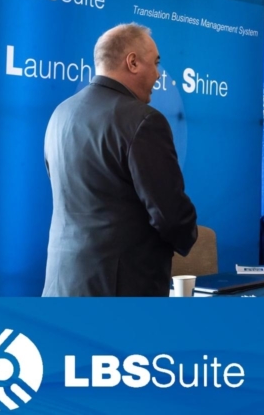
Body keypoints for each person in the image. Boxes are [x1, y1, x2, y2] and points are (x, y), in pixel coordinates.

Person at [42, 24, 198, 297]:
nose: (159, 75)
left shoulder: (60, 114)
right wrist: (188, 234)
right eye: (156, 63)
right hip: (121, 291)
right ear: (133, 62)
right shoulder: (144, 121)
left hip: (61, 286)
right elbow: (170, 216)